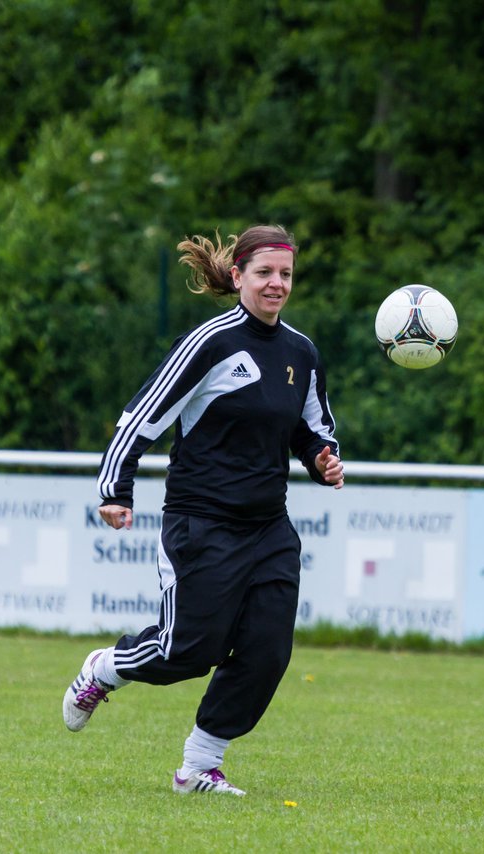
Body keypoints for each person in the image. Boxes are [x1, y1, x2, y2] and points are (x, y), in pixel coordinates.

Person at [62, 224, 344, 797]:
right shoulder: (211, 344)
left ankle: (198, 767)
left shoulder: (302, 352)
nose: (276, 284)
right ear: (237, 276)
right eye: (264, 272)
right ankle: (104, 669)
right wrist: (115, 489)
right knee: (188, 651)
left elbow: (312, 429)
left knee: (268, 651)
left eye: (285, 274)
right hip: (202, 523)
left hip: (270, 528)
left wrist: (323, 459)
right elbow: (141, 416)